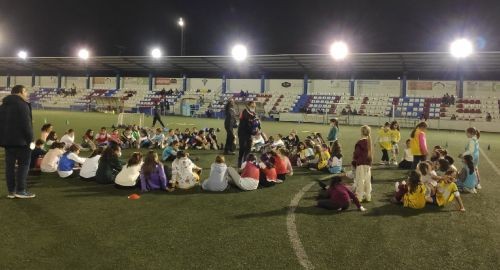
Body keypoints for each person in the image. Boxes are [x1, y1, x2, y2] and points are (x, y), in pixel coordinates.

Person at [0, 85, 35, 198]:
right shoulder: (23, 105)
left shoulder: (3, 105)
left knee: (9, 167)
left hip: (7, 142)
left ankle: (11, 191)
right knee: (23, 165)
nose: (27, 94)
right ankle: (21, 190)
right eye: (25, 91)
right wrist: (31, 140)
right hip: (22, 142)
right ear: (20, 92)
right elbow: (26, 125)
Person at [352, 125, 373, 202]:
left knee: (360, 181)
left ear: (361, 132)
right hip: (368, 164)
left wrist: (354, 159)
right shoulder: (369, 141)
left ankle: (359, 198)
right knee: (367, 181)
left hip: (361, 163)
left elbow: (356, 154)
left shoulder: (360, 142)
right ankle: (368, 196)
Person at [238, 101, 259, 167]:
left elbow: (256, 123)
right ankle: (240, 163)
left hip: (249, 134)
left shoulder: (253, 113)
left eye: (254, 107)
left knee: (248, 149)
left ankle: (245, 163)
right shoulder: (245, 112)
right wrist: (254, 132)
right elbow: (246, 125)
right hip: (243, 133)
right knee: (242, 148)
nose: (253, 108)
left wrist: (258, 126)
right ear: (248, 106)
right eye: (252, 106)